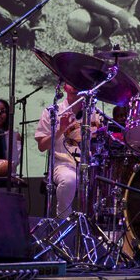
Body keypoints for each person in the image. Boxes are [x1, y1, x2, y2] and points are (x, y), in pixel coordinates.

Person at [35, 83, 100, 218]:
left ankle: (95, 226)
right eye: (71, 80)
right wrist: (61, 130)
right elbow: (42, 146)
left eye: (78, 80)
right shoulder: (52, 112)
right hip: (63, 164)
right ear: (64, 87)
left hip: (90, 166)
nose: (75, 83)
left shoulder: (96, 113)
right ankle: (63, 222)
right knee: (69, 180)